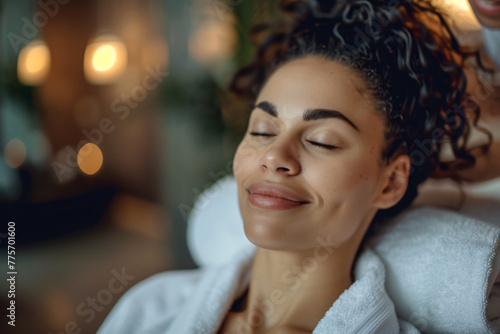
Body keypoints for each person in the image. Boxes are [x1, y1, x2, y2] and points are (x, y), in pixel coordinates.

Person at [97, 0, 483, 333]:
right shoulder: (150, 309)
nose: (274, 157)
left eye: (321, 141)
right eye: (263, 131)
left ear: (390, 183)